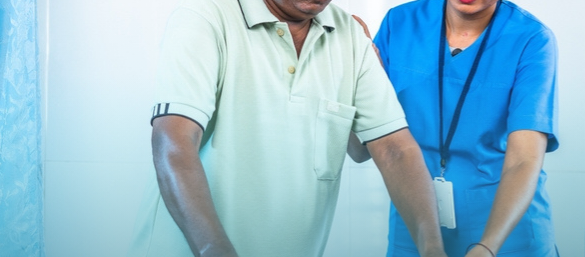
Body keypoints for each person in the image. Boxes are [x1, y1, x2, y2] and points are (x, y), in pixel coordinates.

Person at [127, 0, 447, 256]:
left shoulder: (349, 35)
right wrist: (215, 250)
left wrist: (433, 250)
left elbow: (393, 149)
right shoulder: (205, 16)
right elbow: (174, 141)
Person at [369, 0, 560, 256]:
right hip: (415, 227)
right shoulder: (400, 23)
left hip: (504, 234)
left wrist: (487, 247)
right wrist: (353, 79)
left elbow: (523, 160)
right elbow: (363, 147)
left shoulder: (531, 39)